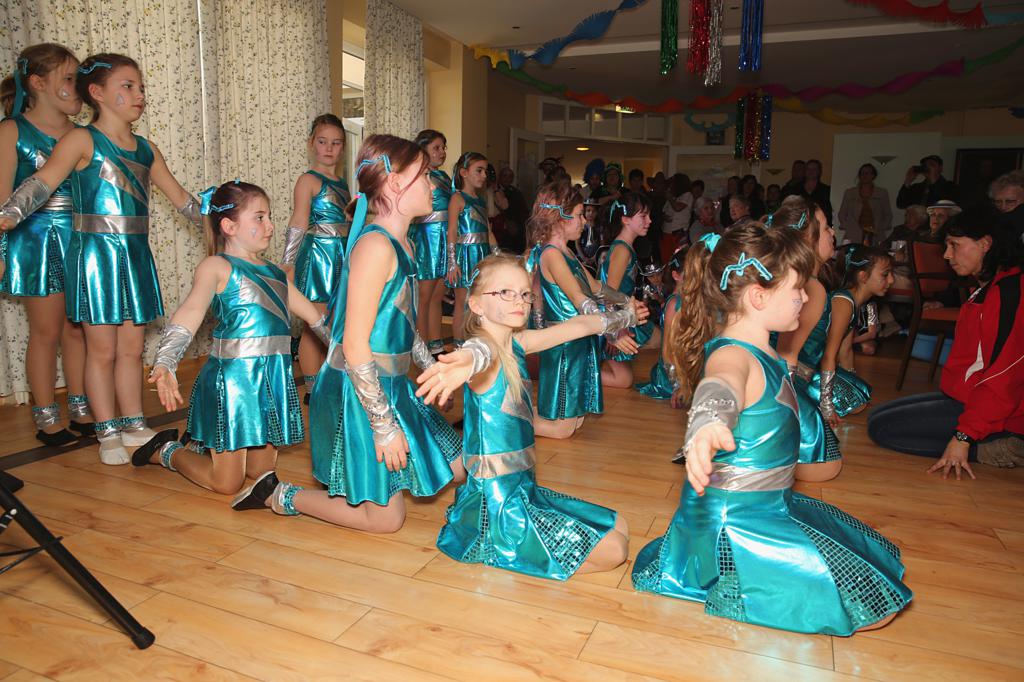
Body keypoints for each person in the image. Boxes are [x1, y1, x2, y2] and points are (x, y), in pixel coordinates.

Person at [631, 222, 911, 634]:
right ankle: (730, 576)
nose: (805, 297)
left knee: (875, 573)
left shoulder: (766, 348)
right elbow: (720, 384)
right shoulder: (732, 354)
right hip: (736, 522)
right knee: (871, 609)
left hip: (772, 503)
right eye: (797, 289)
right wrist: (707, 423)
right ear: (758, 297)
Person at [236, 135, 464, 529]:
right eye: (425, 175)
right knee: (386, 519)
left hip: (393, 384)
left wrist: (431, 371)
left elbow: (403, 323)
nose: (433, 184)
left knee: (459, 468)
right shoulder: (376, 247)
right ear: (395, 183)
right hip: (359, 391)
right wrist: (383, 425)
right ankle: (279, 494)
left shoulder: (403, 244)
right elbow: (356, 345)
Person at [0, 53, 202, 465]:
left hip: (135, 255)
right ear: (97, 93)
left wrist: (225, 217)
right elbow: (42, 183)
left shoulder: (147, 149)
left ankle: (133, 422)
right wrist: (9, 214)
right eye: (127, 86)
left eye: (141, 87)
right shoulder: (81, 140)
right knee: (101, 349)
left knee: (132, 348)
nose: (139, 94)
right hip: (95, 258)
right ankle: (107, 431)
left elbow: (182, 199)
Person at [415, 254, 633, 579]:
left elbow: (578, 326)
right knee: (615, 550)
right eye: (505, 292)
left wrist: (626, 315)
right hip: (497, 505)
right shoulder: (483, 349)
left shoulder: (516, 343)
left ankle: (540, 550)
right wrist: (464, 362)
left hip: (524, 489)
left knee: (620, 525)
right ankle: (516, 553)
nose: (519, 301)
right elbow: (479, 354)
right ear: (476, 304)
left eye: (524, 293)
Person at [135, 181, 325, 497]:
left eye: (269, 217)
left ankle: (203, 448)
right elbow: (190, 311)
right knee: (227, 484)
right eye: (260, 217)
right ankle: (166, 450)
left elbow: (315, 318)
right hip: (233, 384)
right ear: (229, 226)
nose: (270, 226)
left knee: (261, 474)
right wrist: (165, 361)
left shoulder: (276, 274)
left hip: (270, 380)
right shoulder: (217, 266)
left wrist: (350, 349)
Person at [869, 205, 1024, 475]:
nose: (946, 255)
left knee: (883, 428)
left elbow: (1004, 378)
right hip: (968, 399)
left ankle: (999, 447)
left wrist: (964, 436)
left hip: (1004, 415)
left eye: (954, 245)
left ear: (985, 244)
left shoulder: (1010, 292)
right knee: (878, 417)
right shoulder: (989, 286)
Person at [0, 43, 92, 446]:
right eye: (69, 78)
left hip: (80, 240)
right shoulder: (12, 131)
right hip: (35, 242)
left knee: (78, 329)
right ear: (37, 83)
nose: (79, 87)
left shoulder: (82, 135)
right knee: (46, 331)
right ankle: (46, 416)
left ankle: (81, 406)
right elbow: (3, 199)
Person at [525, 180, 648, 439]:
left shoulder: (567, 254)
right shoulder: (551, 255)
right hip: (564, 346)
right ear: (560, 218)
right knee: (563, 430)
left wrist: (627, 301)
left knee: (576, 421)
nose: (584, 221)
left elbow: (596, 287)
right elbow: (581, 300)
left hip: (579, 342)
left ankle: (523, 413)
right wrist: (613, 330)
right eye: (580, 215)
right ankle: (503, 423)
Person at [770, 197, 844, 481]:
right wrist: (782, 422)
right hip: (780, 381)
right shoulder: (809, 287)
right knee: (827, 467)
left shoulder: (808, 282)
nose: (832, 232)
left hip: (792, 376)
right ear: (805, 239)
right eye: (825, 228)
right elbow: (786, 355)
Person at [281, 114, 350, 401]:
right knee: (315, 324)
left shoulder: (343, 183)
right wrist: (288, 261)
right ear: (311, 143)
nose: (329, 148)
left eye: (336, 143)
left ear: (343, 147)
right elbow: (299, 221)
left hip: (340, 255)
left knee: (332, 323)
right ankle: (312, 388)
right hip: (319, 257)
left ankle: (326, 380)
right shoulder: (308, 180)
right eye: (322, 142)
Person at [806, 244, 894, 427]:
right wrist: (827, 405)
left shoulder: (855, 303)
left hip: (818, 362)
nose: (891, 280)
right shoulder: (843, 302)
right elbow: (829, 355)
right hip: (805, 363)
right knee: (855, 402)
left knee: (861, 395)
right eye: (885, 275)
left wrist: (852, 383)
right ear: (863, 276)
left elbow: (845, 350)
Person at [598, 192, 659, 388]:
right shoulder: (622, 250)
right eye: (643, 216)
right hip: (613, 318)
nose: (649, 221)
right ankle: (578, 372)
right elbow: (608, 294)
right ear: (626, 220)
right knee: (624, 380)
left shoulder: (626, 247)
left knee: (659, 340)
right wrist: (615, 330)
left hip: (622, 314)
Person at [447, 151, 496, 347]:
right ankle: (460, 346)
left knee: (480, 300)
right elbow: (451, 230)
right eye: (479, 170)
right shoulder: (457, 198)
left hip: (483, 254)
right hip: (465, 254)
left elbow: (488, 230)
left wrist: (497, 255)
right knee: (462, 301)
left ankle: (475, 343)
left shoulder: (481, 200)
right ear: (464, 172)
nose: (484, 175)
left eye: (485, 171)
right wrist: (452, 262)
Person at [410, 129, 451, 358]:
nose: (442, 152)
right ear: (422, 148)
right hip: (426, 237)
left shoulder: (443, 177)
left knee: (437, 294)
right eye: (436, 147)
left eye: (443, 147)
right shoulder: (415, 173)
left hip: (444, 237)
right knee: (424, 296)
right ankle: (421, 347)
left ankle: (436, 344)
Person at [636, 248, 685, 403]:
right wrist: (676, 384)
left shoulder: (676, 294)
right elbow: (667, 349)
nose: (655, 278)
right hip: (674, 369)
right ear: (676, 275)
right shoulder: (674, 303)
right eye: (651, 276)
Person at [838, 163, 892, 246]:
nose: (864, 175)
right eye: (862, 173)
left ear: (873, 176)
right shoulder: (850, 193)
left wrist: (880, 228)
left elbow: (888, 214)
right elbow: (842, 214)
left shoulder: (882, 193)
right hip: (853, 234)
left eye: (867, 173)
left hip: (875, 235)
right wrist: (848, 227)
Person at [785, 159, 833, 227]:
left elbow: (828, 212)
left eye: (814, 169)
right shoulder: (796, 189)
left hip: (819, 226)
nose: (811, 171)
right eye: (808, 169)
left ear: (819, 172)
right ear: (805, 171)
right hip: (799, 226)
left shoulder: (826, 190)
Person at [660, 173, 692, 261]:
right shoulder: (673, 196)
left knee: (679, 258)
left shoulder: (687, 195)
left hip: (679, 232)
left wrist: (670, 197)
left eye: (673, 183)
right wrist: (664, 217)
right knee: (666, 258)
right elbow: (663, 211)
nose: (671, 186)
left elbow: (677, 208)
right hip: (666, 231)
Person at [496, 166, 528, 254]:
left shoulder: (516, 192)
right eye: (505, 176)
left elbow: (523, 210)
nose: (507, 179)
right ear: (500, 177)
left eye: (510, 176)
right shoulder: (494, 190)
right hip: (500, 229)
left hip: (517, 230)